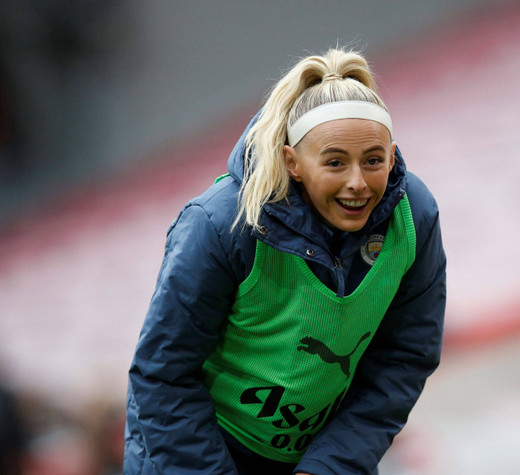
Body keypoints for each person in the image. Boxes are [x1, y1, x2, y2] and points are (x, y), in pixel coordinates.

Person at [124, 48, 446, 475]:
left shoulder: (413, 216)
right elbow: (163, 376)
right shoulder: (222, 225)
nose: (358, 183)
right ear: (292, 162)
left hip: (317, 456)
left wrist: (330, 465)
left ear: (392, 155)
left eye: (373, 160)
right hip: (196, 451)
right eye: (334, 162)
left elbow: (405, 355)